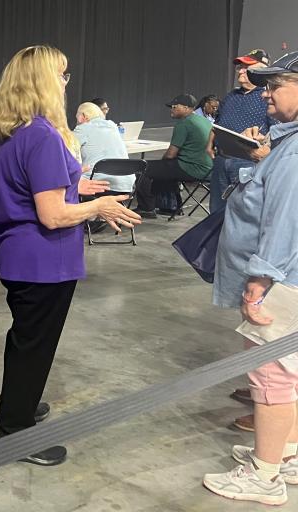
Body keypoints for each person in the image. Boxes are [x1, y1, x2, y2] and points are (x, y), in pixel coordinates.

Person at [0, 45, 141, 466]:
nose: (65, 83)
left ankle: (18, 403)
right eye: (62, 75)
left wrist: (77, 188)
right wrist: (99, 206)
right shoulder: (41, 134)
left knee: (26, 337)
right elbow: (52, 215)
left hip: (18, 254)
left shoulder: (7, 131)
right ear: (42, 82)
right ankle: (15, 429)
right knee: (35, 343)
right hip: (43, 259)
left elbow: (31, 187)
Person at [202, 51, 298, 506]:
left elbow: (285, 220)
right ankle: (287, 454)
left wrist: (259, 282)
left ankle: (265, 476)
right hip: (288, 279)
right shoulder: (288, 143)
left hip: (281, 284)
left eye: (275, 84)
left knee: (271, 377)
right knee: (289, 375)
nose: (265, 92)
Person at [208, 49, 276, 213]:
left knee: (243, 212)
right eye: (241, 67)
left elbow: (276, 131)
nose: (241, 70)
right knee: (216, 211)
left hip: (248, 163)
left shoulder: (268, 98)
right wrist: (209, 144)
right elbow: (218, 123)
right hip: (221, 160)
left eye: (247, 67)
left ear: (262, 70)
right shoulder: (231, 96)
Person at [132, 94, 213, 218]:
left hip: (192, 168)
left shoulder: (184, 123)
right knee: (164, 169)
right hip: (208, 169)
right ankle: (170, 207)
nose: (172, 109)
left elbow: (170, 154)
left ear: (186, 108)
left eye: (175, 107)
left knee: (142, 167)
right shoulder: (203, 120)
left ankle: (146, 208)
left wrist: (160, 165)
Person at [73, 102, 131, 192]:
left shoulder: (83, 128)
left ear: (82, 116)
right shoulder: (113, 126)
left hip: (97, 186)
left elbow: (64, 148)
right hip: (126, 185)